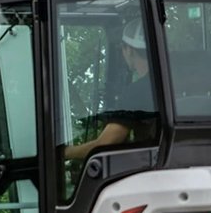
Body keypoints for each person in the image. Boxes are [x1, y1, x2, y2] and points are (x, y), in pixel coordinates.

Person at [64, 18, 157, 161]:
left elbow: (105, 144)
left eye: (122, 48)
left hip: (151, 167)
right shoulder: (168, 84)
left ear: (129, 50)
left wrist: (65, 153)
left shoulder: (135, 93)